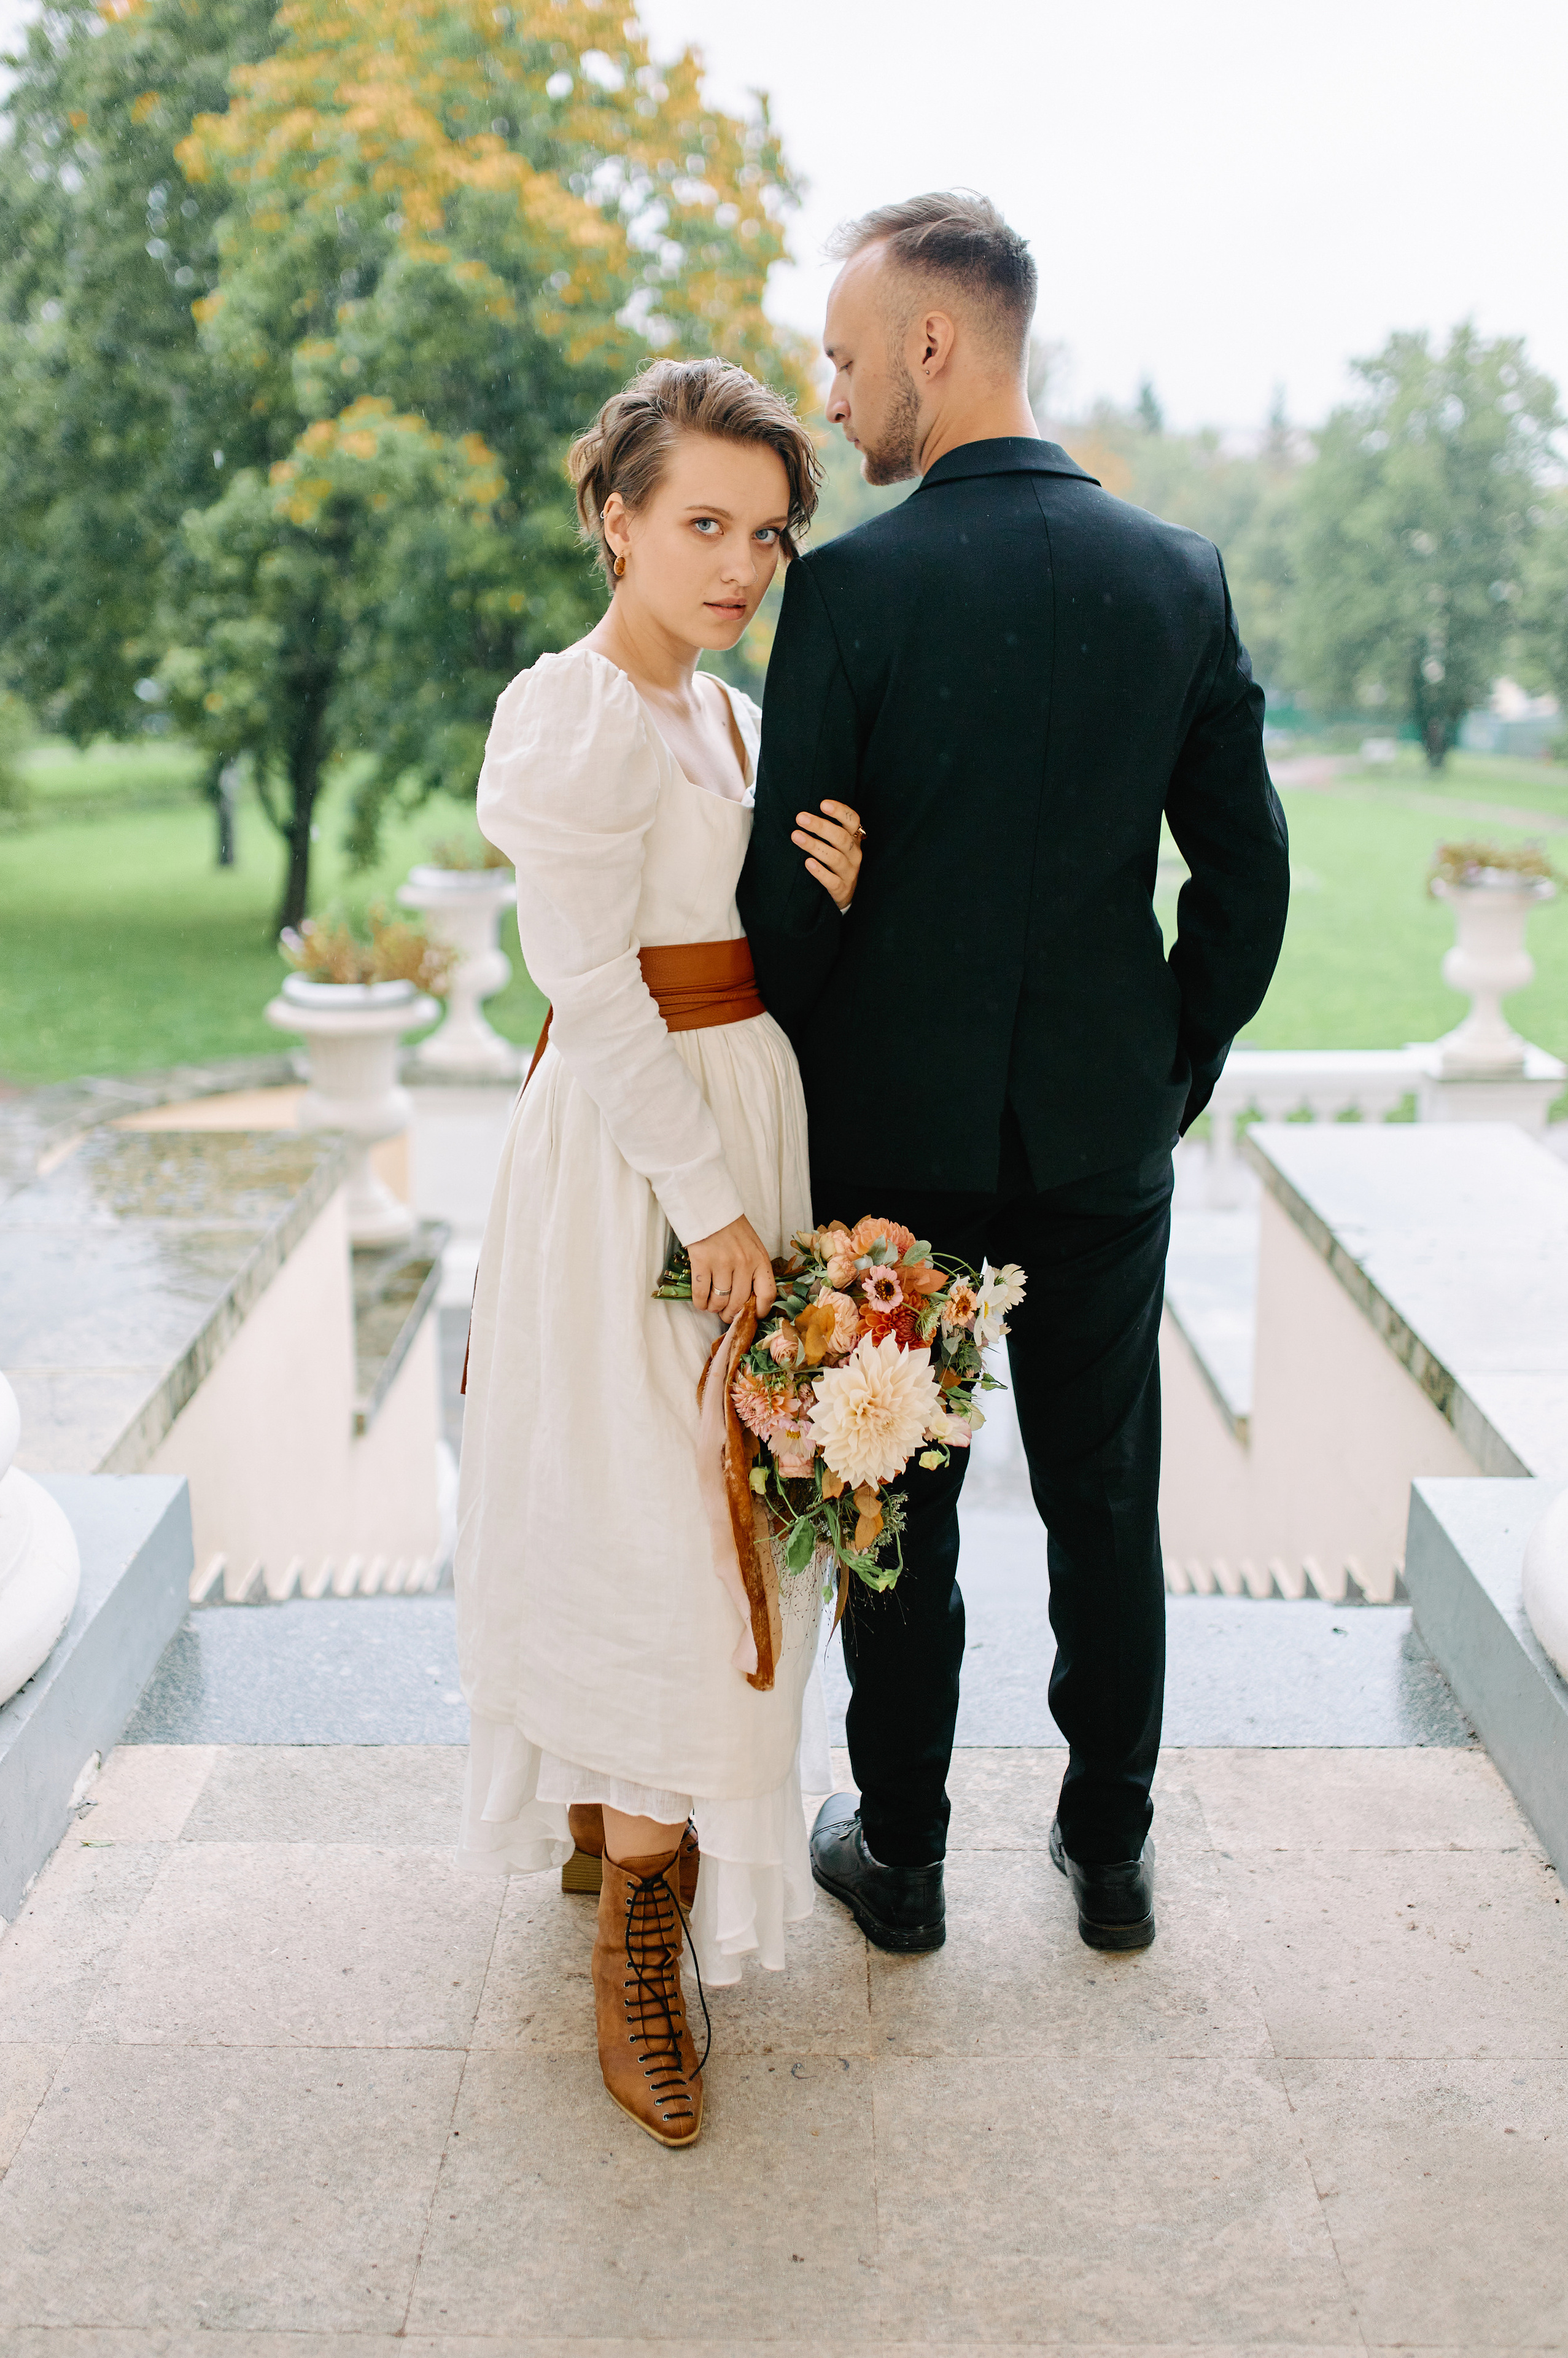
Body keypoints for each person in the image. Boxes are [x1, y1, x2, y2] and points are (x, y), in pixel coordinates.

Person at [737, 192, 1290, 1960]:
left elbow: (783, 930)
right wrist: (1166, 1064)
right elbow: (1249, 880)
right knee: (1107, 1495)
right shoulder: (1175, 575)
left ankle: (900, 1857)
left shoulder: (848, 594)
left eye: (840, 353)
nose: (828, 395)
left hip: (891, 1142)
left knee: (900, 1499)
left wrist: (820, 917)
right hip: (1102, 1137)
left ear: (932, 343)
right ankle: (1109, 1857)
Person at [455, 357, 863, 2147]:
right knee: (654, 1515)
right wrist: (702, 1201)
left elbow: (730, 925)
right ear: (614, 519)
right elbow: (591, 984)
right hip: (640, 1148)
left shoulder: (737, 715)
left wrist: (822, 891)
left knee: (709, 1499)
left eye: (765, 532)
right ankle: (639, 1920)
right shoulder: (579, 711)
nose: (739, 563)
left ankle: (624, 1827)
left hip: (738, 1115)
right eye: (702, 523)